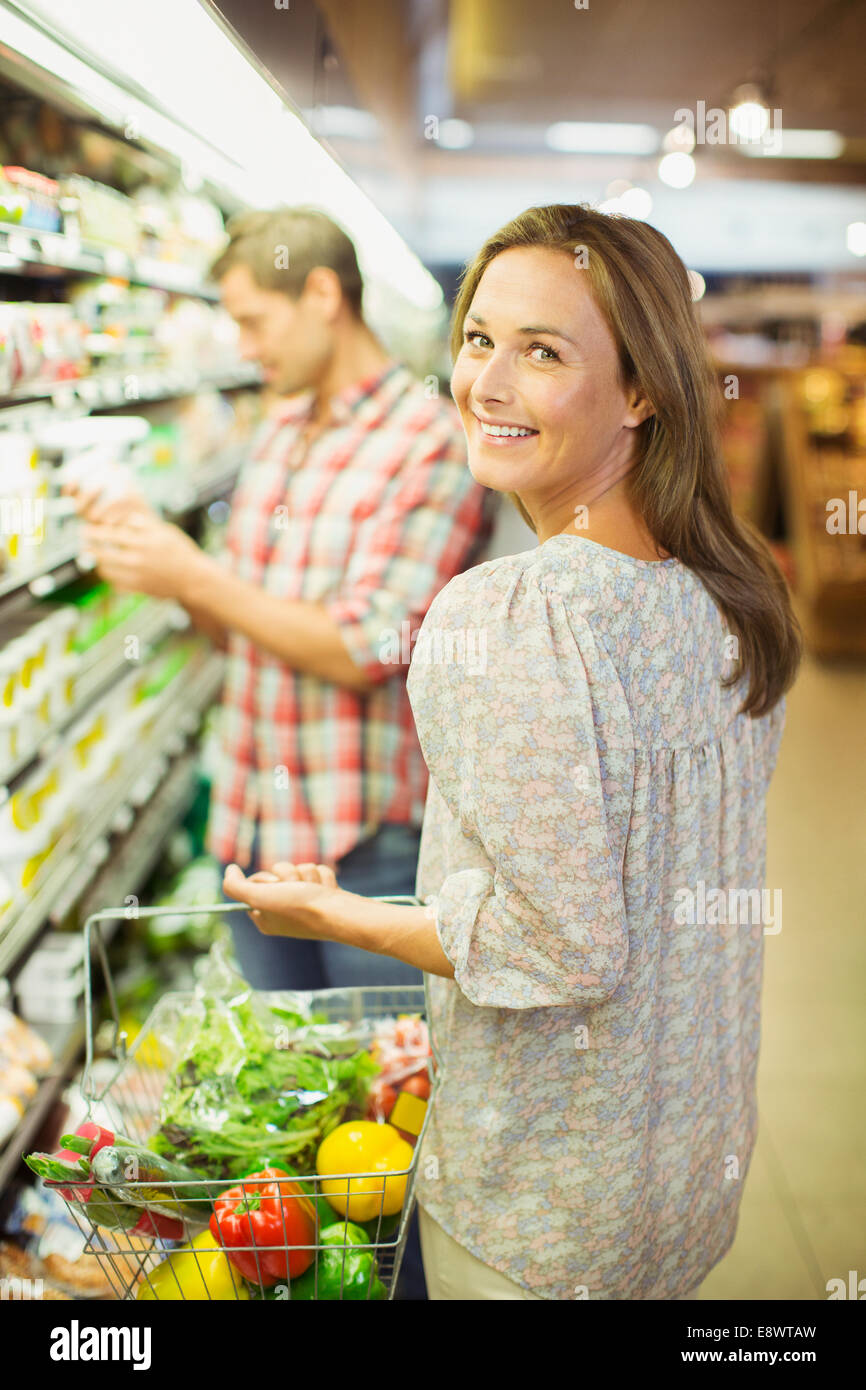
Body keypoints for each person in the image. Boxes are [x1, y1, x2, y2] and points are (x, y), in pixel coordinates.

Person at [222, 202, 803, 1300]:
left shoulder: (507, 617)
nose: (485, 383)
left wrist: (332, 913)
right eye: (478, 339)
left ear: (639, 390)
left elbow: (560, 947)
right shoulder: (728, 594)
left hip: (541, 1204)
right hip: (677, 1165)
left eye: (541, 352)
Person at [72, 206, 496, 993]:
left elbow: (365, 648)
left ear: (324, 296)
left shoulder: (428, 442)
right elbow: (242, 626)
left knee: (374, 1084)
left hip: (362, 837)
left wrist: (195, 575)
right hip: (253, 827)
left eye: (254, 321)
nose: (243, 347)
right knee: (281, 1075)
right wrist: (156, 563)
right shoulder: (280, 426)